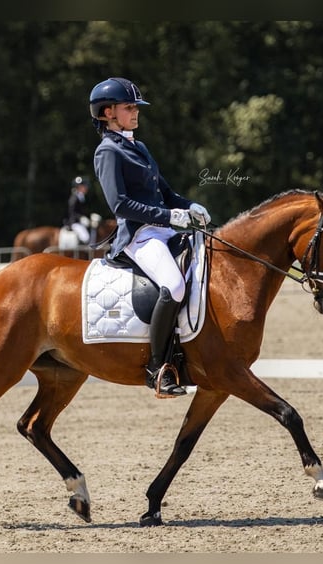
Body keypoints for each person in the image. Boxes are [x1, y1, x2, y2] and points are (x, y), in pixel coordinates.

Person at [89, 77, 211, 398]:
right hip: (139, 236)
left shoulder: (138, 147)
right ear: (107, 113)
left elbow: (166, 193)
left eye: (135, 107)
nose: (136, 112)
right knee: (174, 285)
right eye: (129, 107)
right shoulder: (108, 152)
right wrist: (169, 216)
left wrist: (190, 207)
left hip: (164, 229)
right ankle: (158, 369)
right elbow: (120, 205)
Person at [65, 175, 92, 244]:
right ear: (79, 187)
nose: (86, 188)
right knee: (86, 237)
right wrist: (81, 218)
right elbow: (73, 212)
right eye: (84, 186)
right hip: (75, 222)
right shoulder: (74, 198)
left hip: (80, 222)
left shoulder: (81, 197)